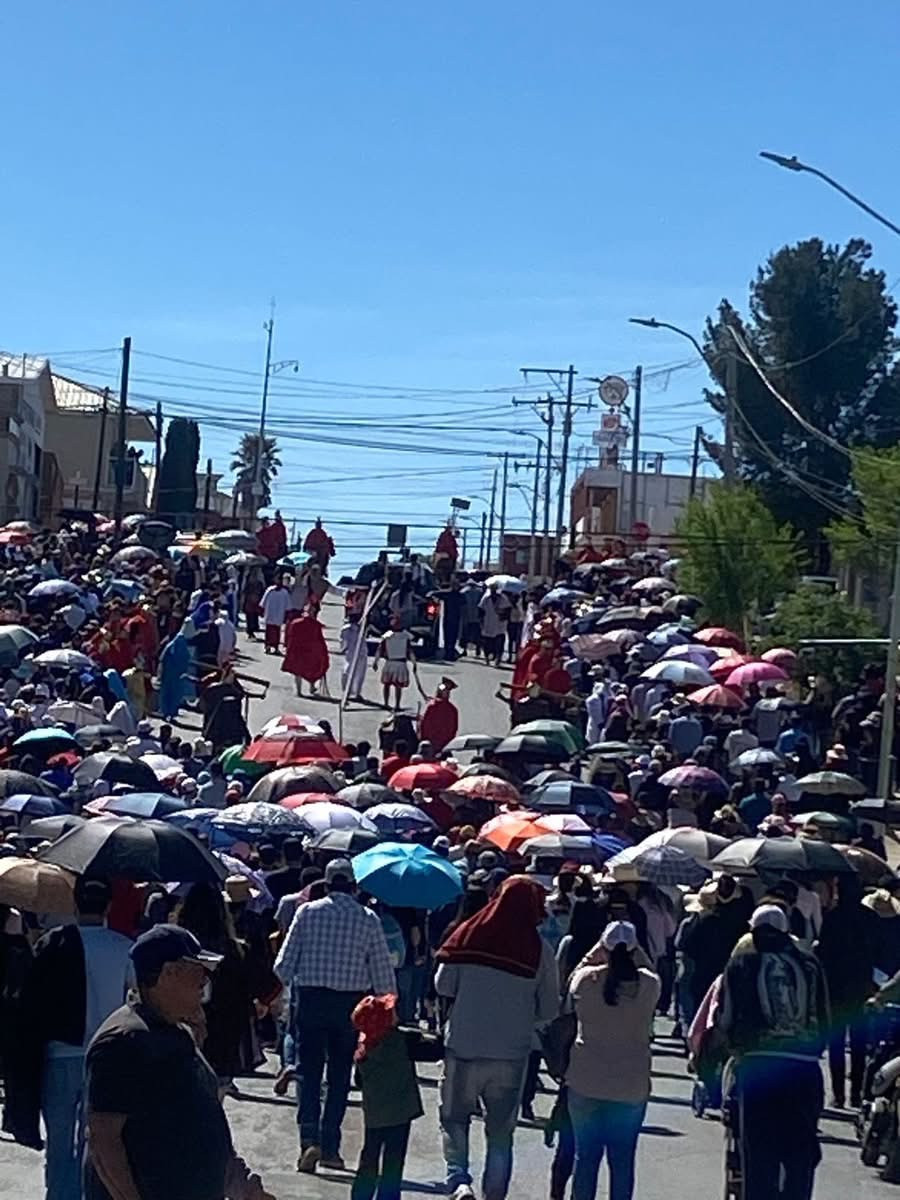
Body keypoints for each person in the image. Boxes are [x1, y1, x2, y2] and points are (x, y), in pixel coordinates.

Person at [84, 924, 274, 1200]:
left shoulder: (178, 1032)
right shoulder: (124, 1041)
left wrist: (241, 1184)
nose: (205, 982)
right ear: (168, 973)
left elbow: (202, 1120)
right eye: (198, 971)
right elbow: (104, 1141)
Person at [6, 879, 133, 1200]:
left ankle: (60, 1196)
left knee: (60, 1143)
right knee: (96, 1142)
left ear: (74, 906)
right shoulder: (124, 947)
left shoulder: (53, 943)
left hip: (59, 1055)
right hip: (107, 1058)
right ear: (108, 906)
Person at [435, 876, 559, 1200]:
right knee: (501, 1133)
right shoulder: (539, 951)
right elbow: (548, 1009)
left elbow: (442, 985)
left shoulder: (470, 935)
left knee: (454, 1118)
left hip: (463, 1045)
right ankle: (494, 1193)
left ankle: (459, 1181)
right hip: (511, 1054)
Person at [274, 858, 396, 1174]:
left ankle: (308, 1139)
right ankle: (330, 1147)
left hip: (311, 1001)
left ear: (326, 885)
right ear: (354, 886)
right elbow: (384, 979)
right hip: (349, 1008)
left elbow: (282, 967)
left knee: (308, 1072)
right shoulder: (368, 919)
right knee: (340, 1076)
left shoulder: (307, 913)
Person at [716, 904, 829, 1200]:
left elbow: (726, 1017)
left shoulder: (742, 962)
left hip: (759, 1067)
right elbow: (826, 1018)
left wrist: (731, 1049)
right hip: (805, 1069)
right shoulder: (810, 963)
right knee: (800, 1155)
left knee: (759, 1155)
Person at [565, 921, 660, 1200]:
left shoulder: (586, 980)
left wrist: (599, 950)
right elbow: (650, 969)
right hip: (630, 1084)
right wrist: (634, 949)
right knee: (622, 1161)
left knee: (585, 1159)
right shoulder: (649, 985)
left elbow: (570, 982)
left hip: (585, 1080)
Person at [350, 993, 440, 1200]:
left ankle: (361, 1196)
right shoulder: (402, 1041)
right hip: (400, 1112)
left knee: (369, 1158)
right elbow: (435, 1051)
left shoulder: (364, 1048)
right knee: (393, 1161)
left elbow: (359, 1081)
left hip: (374, 1114)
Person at [281, 608, 330, 697]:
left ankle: (299, 691)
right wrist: (323, 652)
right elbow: (320, 640)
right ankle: (311, 687)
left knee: (298, 671)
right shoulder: (315, 625)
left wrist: (287, 646)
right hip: (310, 650)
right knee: (312, 669)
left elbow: (289, 636)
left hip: (297, 649)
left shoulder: (295, 623)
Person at [376, 614, 415, 712]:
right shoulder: (398, 635)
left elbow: (380, 649)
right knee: (392, 685)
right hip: (395, 662)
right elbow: (381, 648)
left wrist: (376, 661)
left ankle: (392, 704)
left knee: (392, 685)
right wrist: (414, 663)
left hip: (395, 663)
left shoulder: (402, 635)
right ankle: (390, 704)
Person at [419, 677, 459, 753]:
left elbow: (423, 725)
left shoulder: (433, 706)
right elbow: (454, 729)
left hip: (430, 745)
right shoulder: (452, 709)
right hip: (444, 745)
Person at [479, 585, 511, 667]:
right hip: (488, 623)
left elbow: (508, 610)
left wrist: (503, 615)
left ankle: (498, 658)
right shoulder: (486, 598)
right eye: (492, 589)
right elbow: (481, 610)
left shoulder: (503, 598)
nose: (493, 591)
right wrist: (481, 622)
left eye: (494, 589)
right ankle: (487, 658)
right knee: (487, 643)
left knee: (499, 642)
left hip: (500, 624)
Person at [340, 611, 368, 702]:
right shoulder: (348, 629)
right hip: (354, 652)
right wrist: (344, 648)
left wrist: (343, 648)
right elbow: (344, 639)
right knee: (350, 672)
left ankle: (354, 692)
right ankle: (349, 691)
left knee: (355, 672)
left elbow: (342, 640)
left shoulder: (362, 628)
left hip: (358, 652)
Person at [260, 577, 290, 655]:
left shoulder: (284, 593)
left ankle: (276, 647)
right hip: (270, 614)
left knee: (277, 632)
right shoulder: (270, 590)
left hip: (279, 615)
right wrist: (262, 611)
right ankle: (267, 646)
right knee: (269, 632)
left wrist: (286, 615)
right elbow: (263, 602)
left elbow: (288, 606)